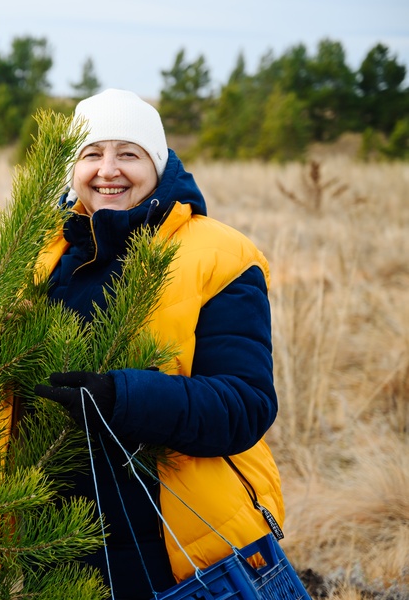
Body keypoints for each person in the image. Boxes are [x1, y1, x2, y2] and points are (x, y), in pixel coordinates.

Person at [33, 89, 284, 599]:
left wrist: (120, 398)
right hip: (48, 533)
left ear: (159, 163)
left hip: (169, 539)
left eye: (129, 153)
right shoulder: (42, 255)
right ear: (70, 168)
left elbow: (245, 404)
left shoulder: (218, 255)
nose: (109, 170)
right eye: (91, 154)